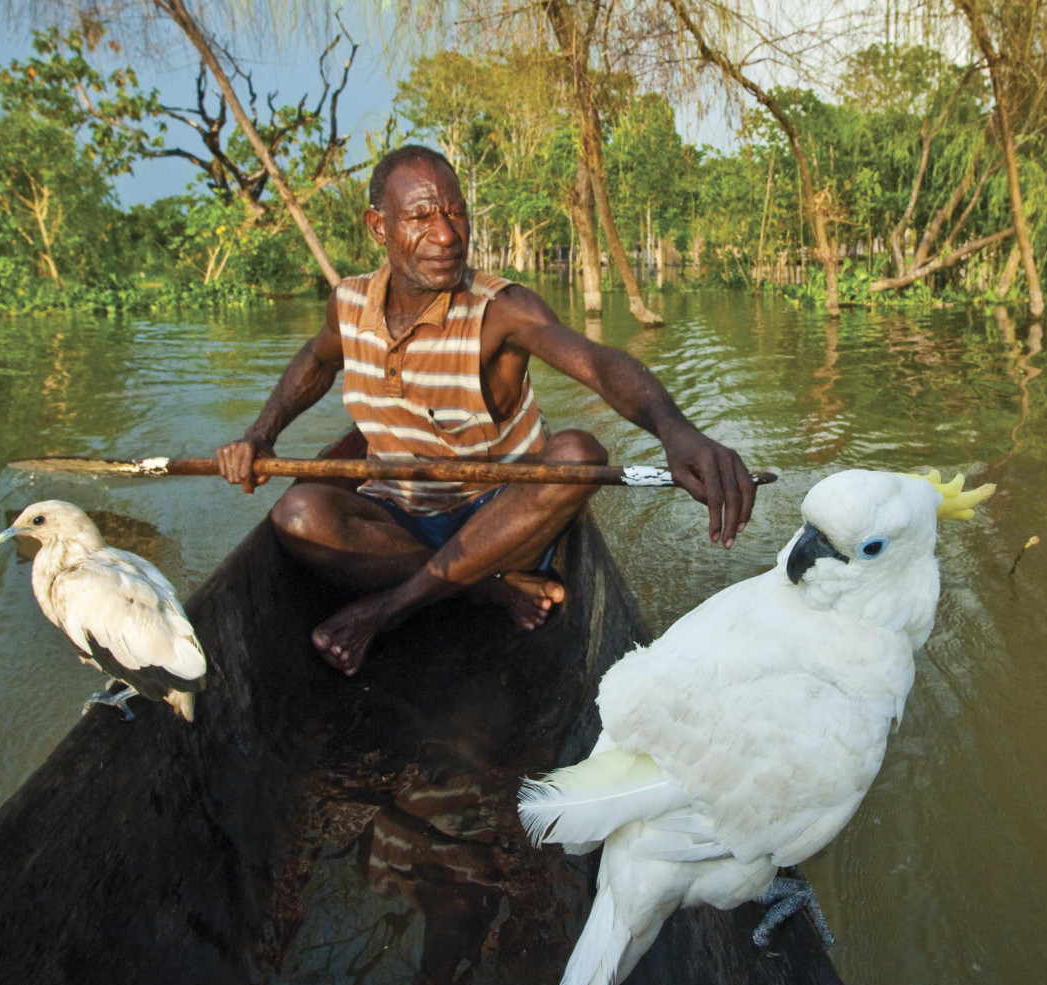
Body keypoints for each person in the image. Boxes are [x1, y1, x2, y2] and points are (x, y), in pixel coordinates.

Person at [216, 145, 754, 675]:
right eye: (421, 217)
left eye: (455, 213)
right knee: (299, 515)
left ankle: (394, 604)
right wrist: (261, 434)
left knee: (577, 455)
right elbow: (317, 358)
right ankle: (487, 589)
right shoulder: (349, 305)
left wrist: (676, 431)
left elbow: (597, 364)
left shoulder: (502, 309)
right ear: (379, 228)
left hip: (501, 522)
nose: (447, 236)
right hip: (398, 521)